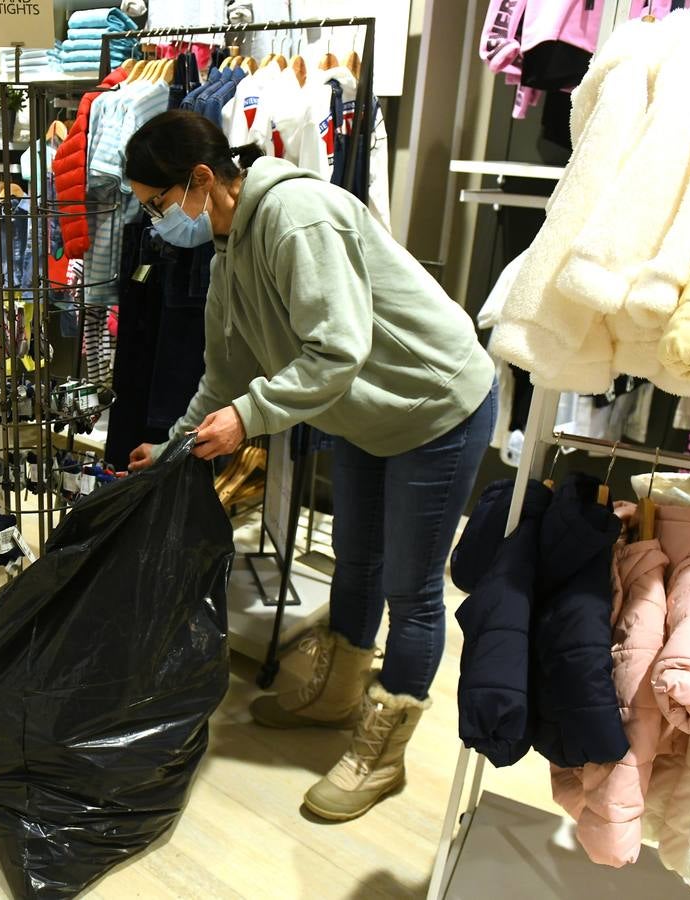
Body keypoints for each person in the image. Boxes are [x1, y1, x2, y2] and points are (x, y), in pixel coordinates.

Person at [123, 110, 496, 822]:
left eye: (157, 203)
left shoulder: (297, 217)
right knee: (355, 564)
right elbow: (224, 370)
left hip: (433, 404)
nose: (156, 219)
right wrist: (176, 441)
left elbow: (335, 351)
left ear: (201, 180)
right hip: (363, 413)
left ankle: (381, 754)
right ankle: (335, 697)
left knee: (411, 588)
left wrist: (250, 417)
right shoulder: (230, 245)